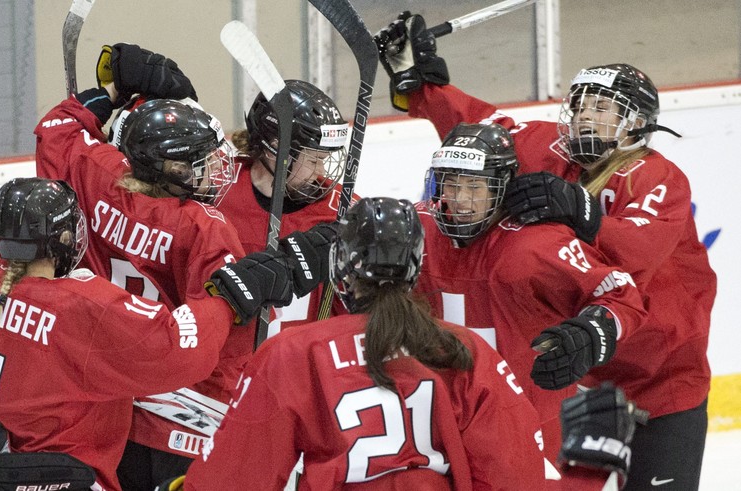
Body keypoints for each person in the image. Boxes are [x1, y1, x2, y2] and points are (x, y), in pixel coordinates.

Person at [376, 13, 715, 489]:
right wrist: (421, 84)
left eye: (602, 108)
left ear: (636, 123)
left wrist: (582, 209)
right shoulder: (548, 147)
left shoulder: (656, 177)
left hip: (660, 380)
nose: (585, 117)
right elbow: (478, 124)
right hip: (582, 372)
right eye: (580, 106)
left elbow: (638, 254)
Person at [0, 132, 301, 491]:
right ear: (64, 240)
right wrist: (226, 298)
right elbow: (177, 347)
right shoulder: (81, 308)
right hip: (61, 480)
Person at [35, 44, 334, 489]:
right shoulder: (205, 226)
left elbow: (56, 130)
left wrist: (111, 92)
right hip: (184, 417)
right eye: (203, 165)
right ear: (171, 167)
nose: (218, 173)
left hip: (103, 400)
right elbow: (227, 335)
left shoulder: (96, 174)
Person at [184, 197, 549, 490]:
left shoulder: (294, 351)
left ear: (342, 268)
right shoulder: (463, 348)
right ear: (414, 266)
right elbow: (515, 471)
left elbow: (237, 475)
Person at [414, 123, 648, 468]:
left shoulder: (538, 243)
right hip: (440, 427)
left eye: (475, 185)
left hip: (532, 425)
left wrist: (590, 333)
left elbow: (622, 294)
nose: (460, 199)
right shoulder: (418, 229)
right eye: (452, 183)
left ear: (502, 187)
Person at [220, 79, 351, 335]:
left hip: (295, 368)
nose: (321, 172)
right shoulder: (219, 190)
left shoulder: (340, 210)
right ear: (276, 149)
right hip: (227, 367)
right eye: (314, 160)